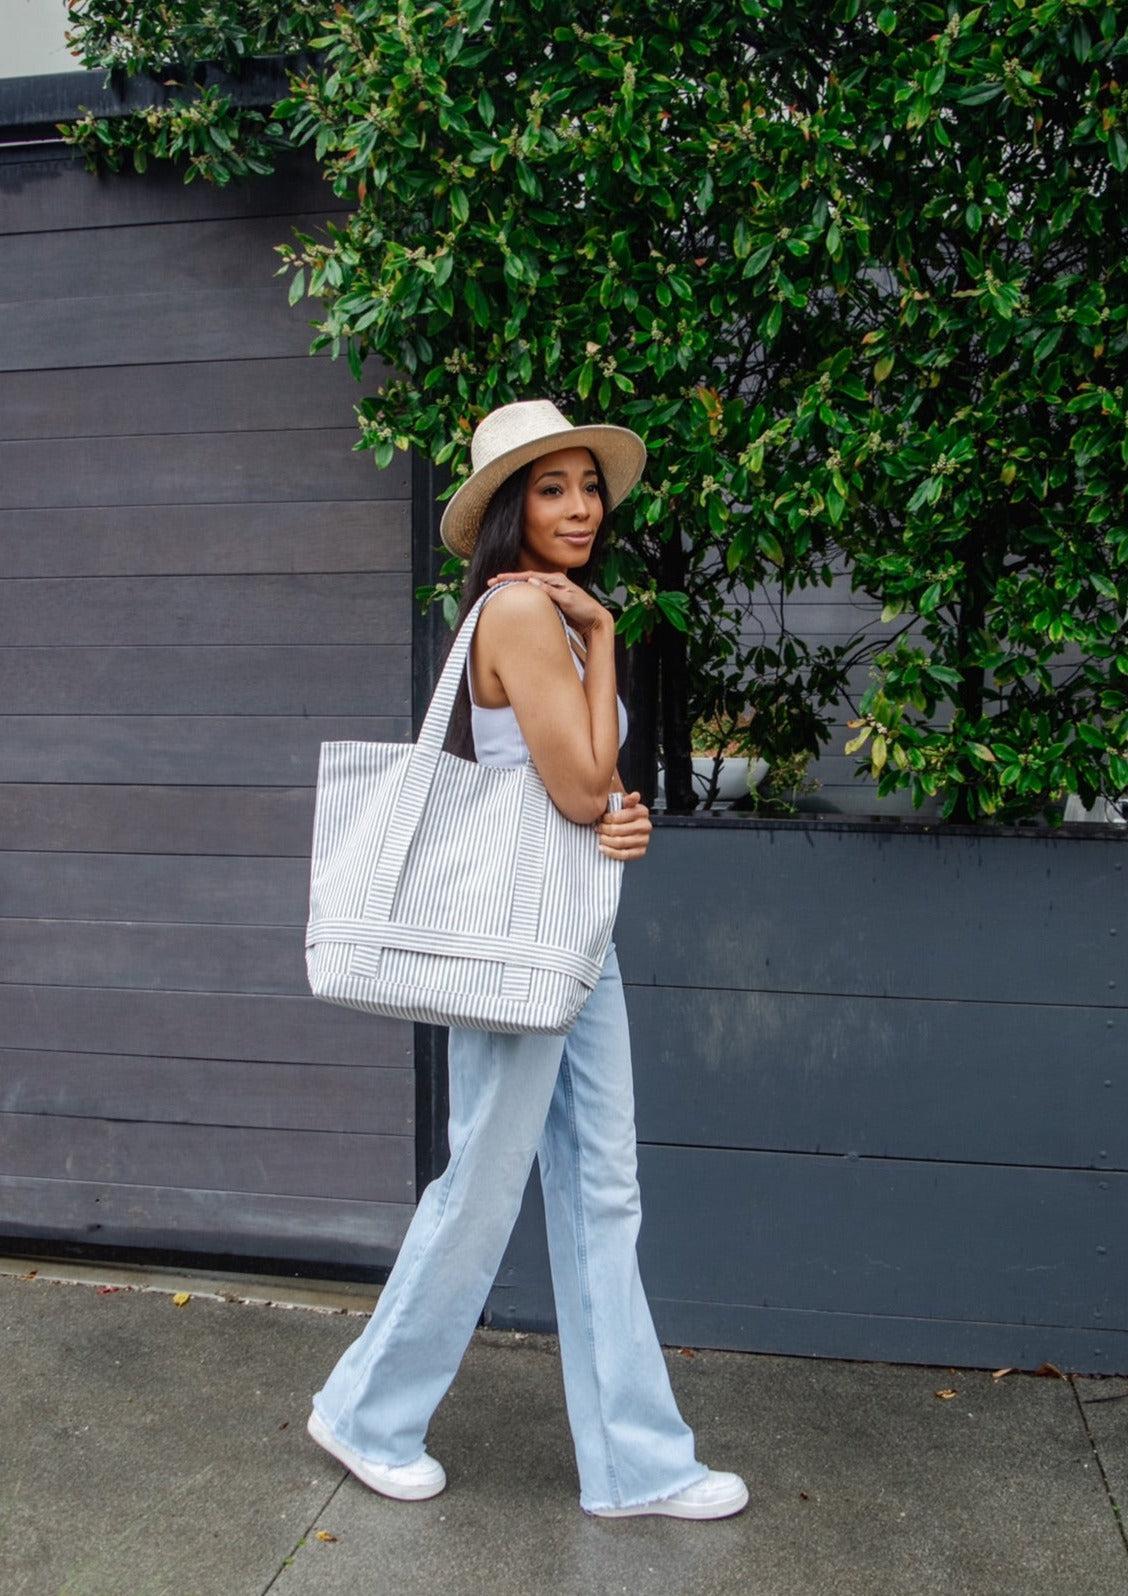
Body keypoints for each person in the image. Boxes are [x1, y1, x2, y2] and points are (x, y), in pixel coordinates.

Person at [306, 400, 748, 1521]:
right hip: (517, 940)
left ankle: (636, 1464)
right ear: (509, 508)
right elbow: (583, 786)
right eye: (551, 489)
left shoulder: (554, 616)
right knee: (487, 1181)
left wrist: (615, 798)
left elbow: (595, 788)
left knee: (604, 1189)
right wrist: (603, 658)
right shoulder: (518, 613)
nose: (581, 507)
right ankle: (365, 1411)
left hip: (570, 931)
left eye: (588, 487)